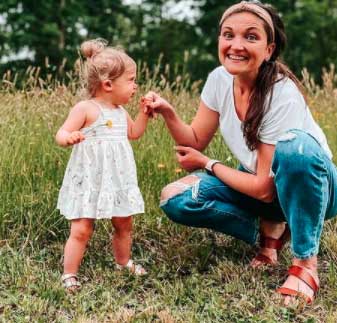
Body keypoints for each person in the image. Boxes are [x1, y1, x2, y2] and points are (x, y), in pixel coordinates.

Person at [144, 1, 337, 305]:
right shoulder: (219, 79)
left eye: (250, 36)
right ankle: (267, 233)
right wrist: (168, 112)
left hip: (313, 188)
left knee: (296, 150)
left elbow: (263, 188)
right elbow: (194, 140)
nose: (236, 45)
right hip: (263, 189)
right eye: (228, 35)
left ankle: (305, 264)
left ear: (269, 49)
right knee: (176, 199)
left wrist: (209, 164)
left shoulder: (281, 93)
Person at [56, 39, 149, 291]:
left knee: (123, 223)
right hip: (89, 180)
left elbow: (134, 133)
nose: (135, 85)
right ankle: (69, 273)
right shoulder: (86, 108)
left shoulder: (120, 111)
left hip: (118, 179)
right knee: (82, 228)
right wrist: (69, 138)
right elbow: (61, 133)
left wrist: (144, 114)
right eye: (131, 80)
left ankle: (123, 262)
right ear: (108, 84)